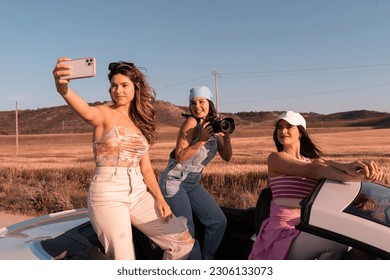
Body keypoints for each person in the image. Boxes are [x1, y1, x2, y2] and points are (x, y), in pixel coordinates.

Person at [52, 58, 194, 260]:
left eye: (124, 85)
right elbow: (85, 110)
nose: (118, 91)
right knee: (125, 261)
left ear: (136, 87)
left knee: (182, 241)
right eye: (114, 86)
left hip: (138, 192)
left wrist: (160, 199)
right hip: (108, 193)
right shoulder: (103, 114)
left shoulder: (141, 120)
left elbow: (145, 168)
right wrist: (62, 87)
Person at [249, 111, 384, 260]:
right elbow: (313, 171)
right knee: (335, 243)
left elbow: (332, 166)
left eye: (289, 127)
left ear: (300, 132)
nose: (283, 131)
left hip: (309, 226)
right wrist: (356, 177)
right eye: (280, 127)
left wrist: (365, 174)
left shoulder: (313, 161)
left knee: (362, 245)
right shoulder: (276, 158)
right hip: (283, 231)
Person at [158, 86, 233, 260]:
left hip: (192, 183)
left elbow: (227, 157)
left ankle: (207, 259)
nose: (197, 106)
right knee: (188, 232)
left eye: (201, 101)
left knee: (218, 221)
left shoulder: (214, 126)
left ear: (210, 103)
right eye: (193, 103)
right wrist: (201, 141)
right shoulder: (191, 123)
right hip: (174, 181)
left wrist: (226, 137)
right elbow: (180, 156)